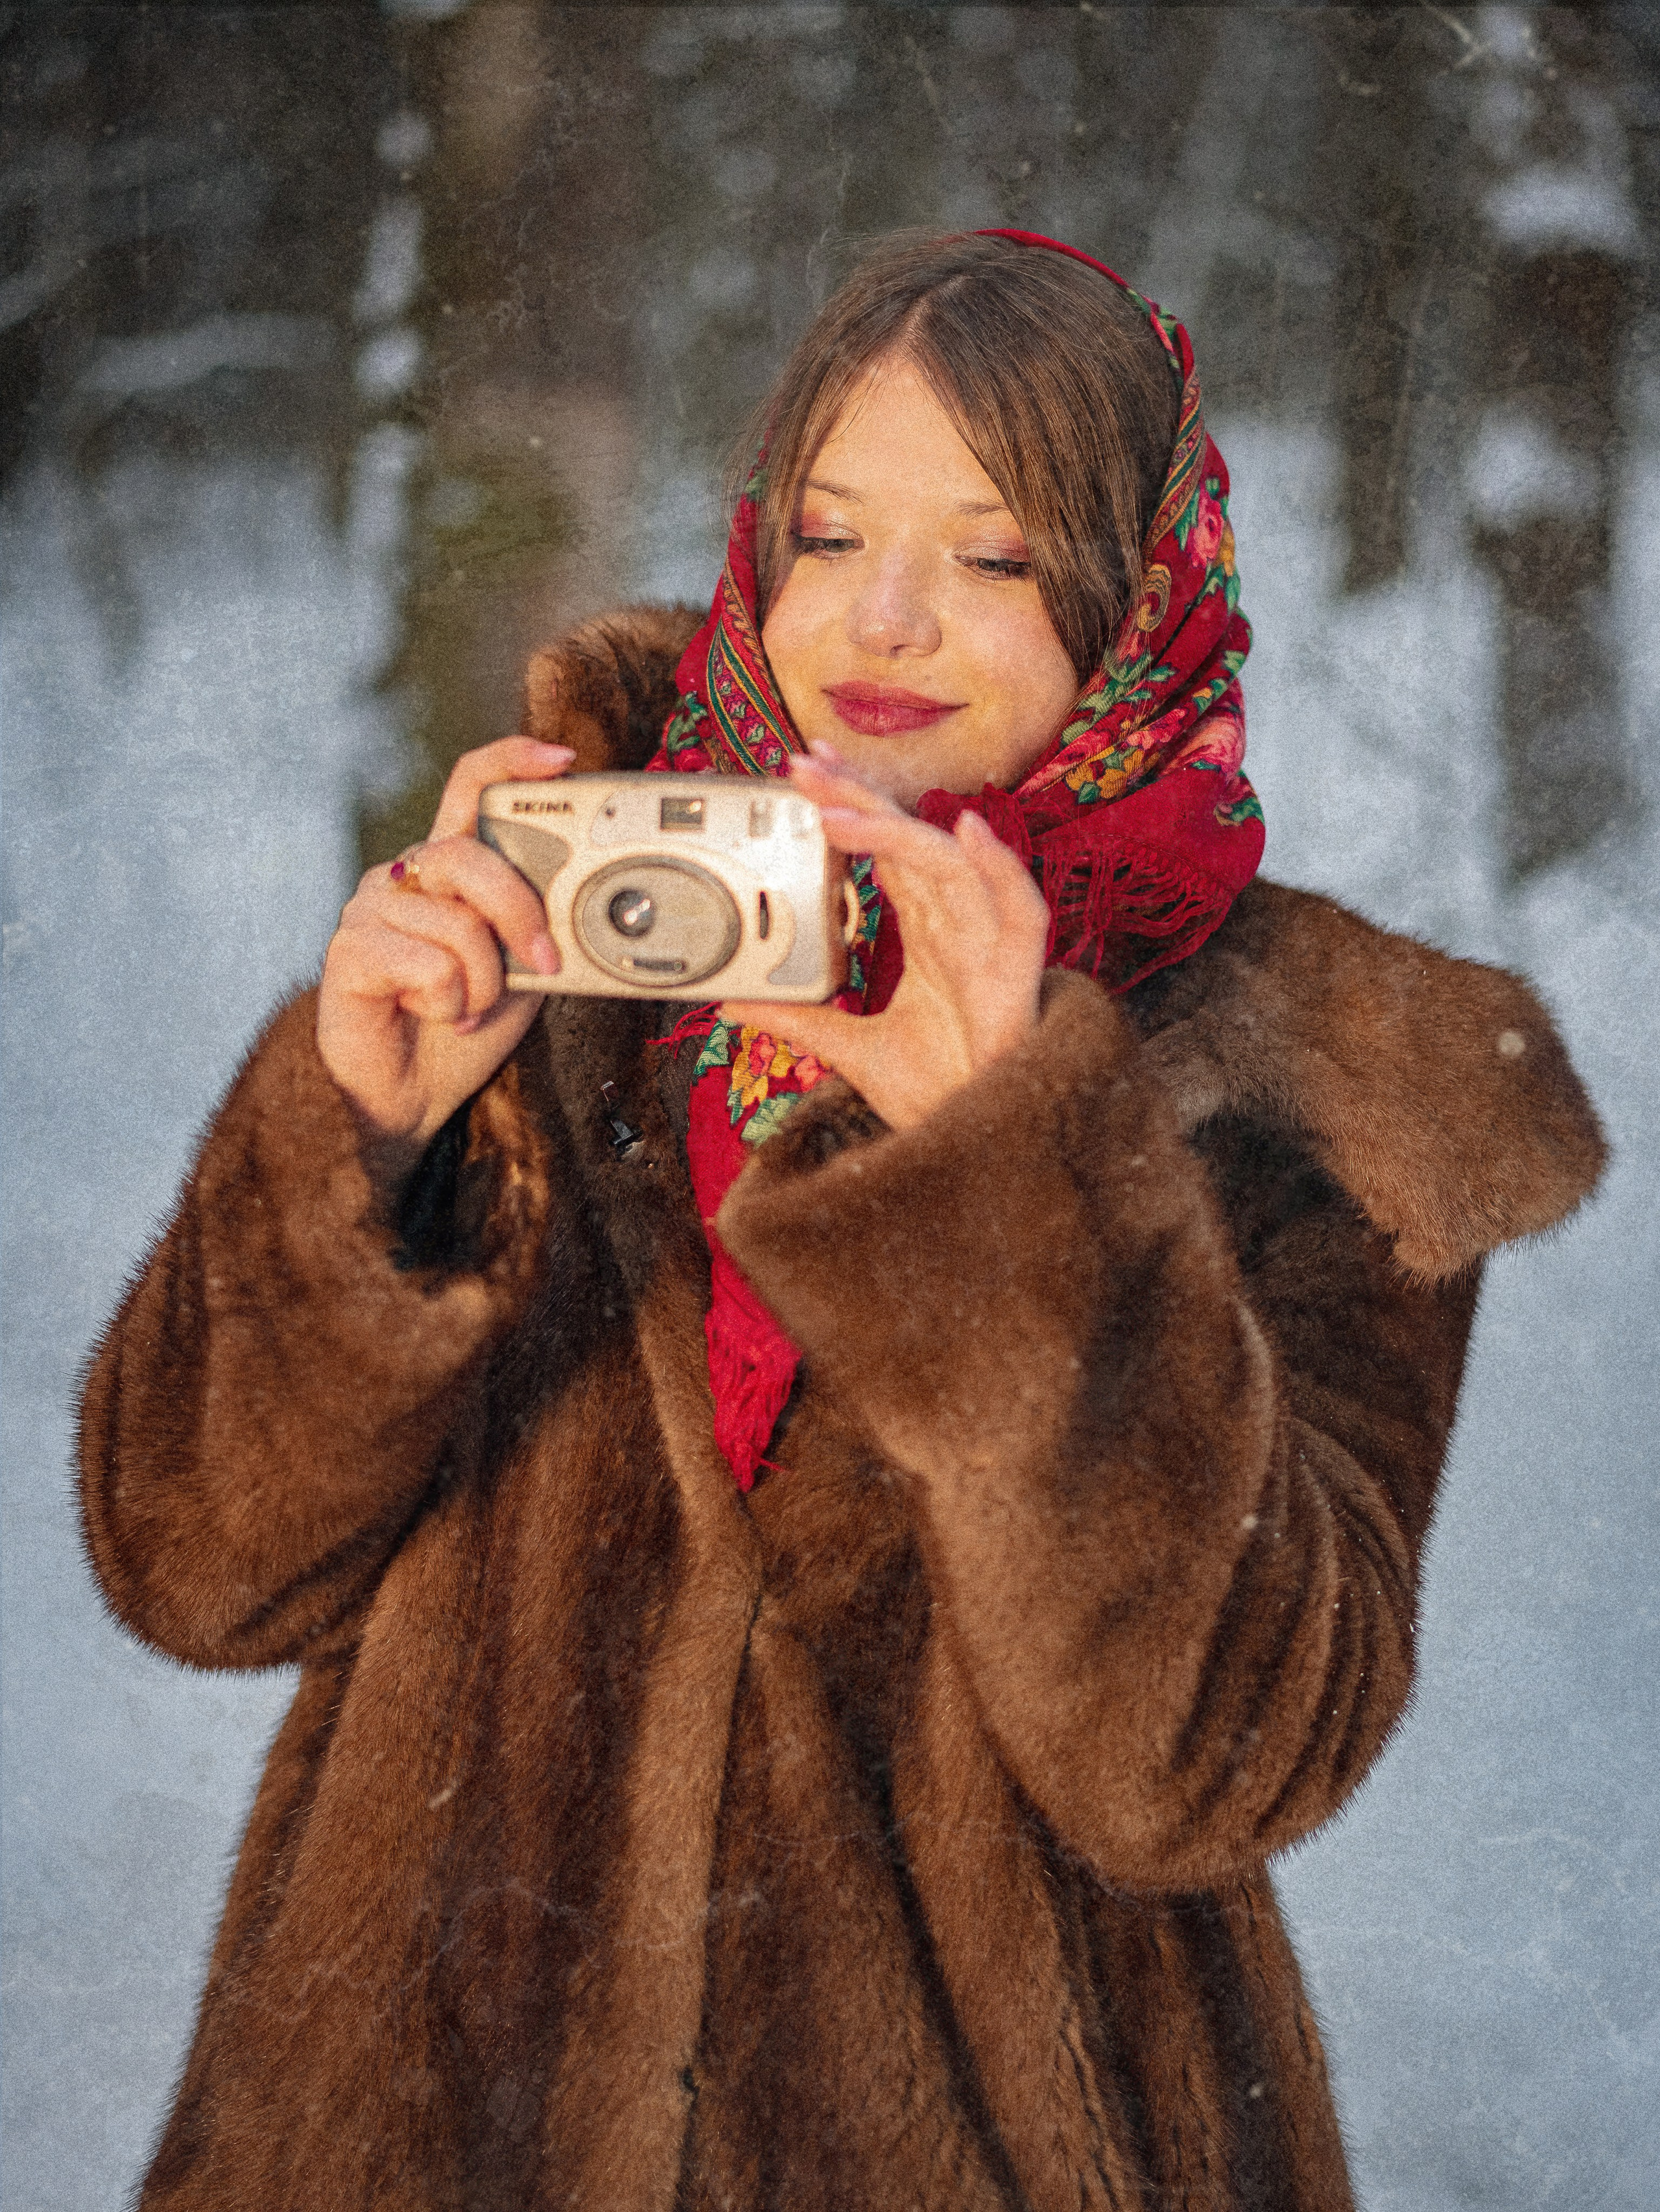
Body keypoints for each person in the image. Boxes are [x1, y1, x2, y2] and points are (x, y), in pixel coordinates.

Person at [79, 232, 1605, 2212]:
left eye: (990, 553)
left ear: (1143, 606)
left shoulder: (1320, 1098)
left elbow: (1208, 1767)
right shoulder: (571, 956)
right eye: (826, 530)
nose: (884, 616)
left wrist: (1019, 1179)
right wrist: (363, 1145)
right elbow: (190, 1568)